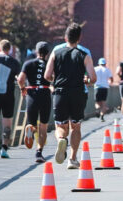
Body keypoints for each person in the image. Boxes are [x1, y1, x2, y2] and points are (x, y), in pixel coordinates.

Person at [45, 23, 97, 169]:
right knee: (76, 126)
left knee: (60, 125)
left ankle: (62, 139)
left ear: (65, 37)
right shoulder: (84, 54)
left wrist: (55, 79)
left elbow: (47, 75)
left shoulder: (56, 52)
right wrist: (86, 80)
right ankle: (73, 159)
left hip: (60, 92)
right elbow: (93, 78)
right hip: (78, 93)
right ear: (79, 38)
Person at [18, 41, 52, 163]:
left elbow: (20, 79)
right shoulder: (49, 65)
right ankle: (39, 152)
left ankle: (30, 129)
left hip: (31, 93)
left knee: (32, 122)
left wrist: (23, 89)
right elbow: (52, 78)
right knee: (43, 126)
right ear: (47, 53)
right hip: (45, 93)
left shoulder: (28, 63)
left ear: (36, 52)